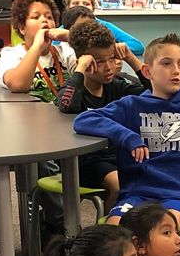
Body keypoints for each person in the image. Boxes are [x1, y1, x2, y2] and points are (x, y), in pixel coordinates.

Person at [72, 33, 180, 225]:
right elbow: (84, 120)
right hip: (138, 194)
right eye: (166, 64)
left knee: (163, 228)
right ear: (147, 72)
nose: (175, 70)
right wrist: (127, 137)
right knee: (115, 228)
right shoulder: (132, 105)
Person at [57, 19, 151, 209]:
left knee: (148, 181)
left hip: (117, 156)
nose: (108, 67)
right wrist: (80, 69)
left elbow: (154, 92)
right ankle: (110, 231)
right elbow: (66, 104)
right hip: (85, 161)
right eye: (99, 62)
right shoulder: (75, 89)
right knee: (119, 186)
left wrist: (131, 59)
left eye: (111, 59)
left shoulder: (116, 86)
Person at [0, 0, 74, 101]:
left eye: (49, 17)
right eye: (36, 17)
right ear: (22, 28)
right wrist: (37, 47)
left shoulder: (65, 51)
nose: (44, 20)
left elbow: (92, 76)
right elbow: (17, 84)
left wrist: (71, 37)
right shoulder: (11, 54)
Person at [63, 0, 145, 54]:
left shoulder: (103, 25)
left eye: (86, 4)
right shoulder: (63, 28)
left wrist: (109, 48)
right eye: (76, 3)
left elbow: (137, 46)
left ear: (93, 7)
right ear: (68, 7)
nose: (81, 7)